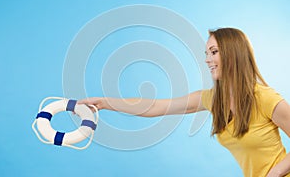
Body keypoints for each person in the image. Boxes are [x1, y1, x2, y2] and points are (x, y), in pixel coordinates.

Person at [78, 27, 290, 177]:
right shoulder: (214, 100)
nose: (207, 59)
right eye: (206, 53)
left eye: (214, 52)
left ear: (234, 54)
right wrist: (105, 103)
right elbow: (156, 106)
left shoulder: (263, 98)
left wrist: (275, 173)